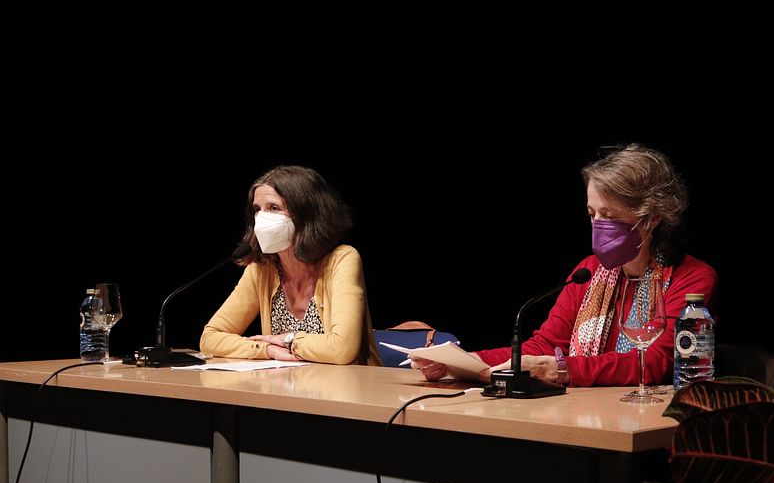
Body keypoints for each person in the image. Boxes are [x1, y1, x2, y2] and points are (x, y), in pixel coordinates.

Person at [414, 143, 717, 386]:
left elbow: (657, 362)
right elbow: (543, 347)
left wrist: (561, 369)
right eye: (591, 214)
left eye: (609, 215)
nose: (598, 225)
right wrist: (463, 361)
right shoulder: (589, 271)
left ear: (651, 217)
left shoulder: (691, 278)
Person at [200, 165, 382, 365]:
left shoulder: (342, 259)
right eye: (257, 210)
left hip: (348, 390)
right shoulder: (262, 269)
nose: (261, 218)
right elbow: (210, 338)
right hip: (286, 390)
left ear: (306, 214)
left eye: (274, 208)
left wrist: (289, 340)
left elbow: (341, 349)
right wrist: (267, 349)